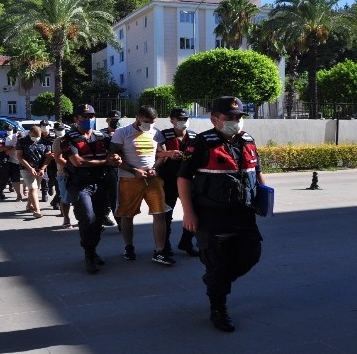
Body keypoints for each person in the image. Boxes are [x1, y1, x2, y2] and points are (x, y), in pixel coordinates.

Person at [177, 96, 267, 333]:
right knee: (218, 264)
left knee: (251, 255)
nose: (236, 121)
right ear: (215, 119)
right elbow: (183, 177)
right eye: (231, 117)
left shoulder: (248, 140)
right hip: (212, 215)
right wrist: (188, 212)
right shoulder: (201, 143)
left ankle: (217, 281)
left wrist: (265, 199)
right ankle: (218, 308)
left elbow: (256, 172)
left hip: (244, 213)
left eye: (239, 117)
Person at [108, 105, 175, 266]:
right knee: (127, 215)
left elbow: (161, 154)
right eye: (146, 122)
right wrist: (133, 170)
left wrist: (155, 169)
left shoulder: (156, 132)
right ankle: (129, 246)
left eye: (152, 122)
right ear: (137, 117)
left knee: (159, 213)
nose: (149, 125)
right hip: (129, 180)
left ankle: (159, 251)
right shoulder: (122, 132)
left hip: (152, 180)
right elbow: (113, 156)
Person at [62, 104, 121, 273]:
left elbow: (114, 154)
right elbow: (77, 162)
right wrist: (105, 162)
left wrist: (115, 158)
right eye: (84, 116)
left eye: (92, 116)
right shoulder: (69, 139)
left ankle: (92, 250)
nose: (89, 119)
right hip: (80, 185)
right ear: (76, 119)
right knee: (87, 218)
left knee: (98, 220)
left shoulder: (102, 137)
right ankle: (89, 254)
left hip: (101, 184)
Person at [157, 108, 198, 256]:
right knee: (167, 213)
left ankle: (187, 241)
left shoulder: (194, 135)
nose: (183, 122)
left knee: (194, 210)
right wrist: (169, 154)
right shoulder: (163, 135)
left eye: (185, 119)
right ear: (172, 120)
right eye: (179, 119)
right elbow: (155, 153)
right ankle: (165, 245)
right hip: (169, 178)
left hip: (188, 179)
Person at [17, 125, 53, 218]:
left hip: (40, 169)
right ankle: (37, 211)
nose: (36, 138)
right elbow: (20, 157)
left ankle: (29, 205)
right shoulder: (22, 141)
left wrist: (42, 168)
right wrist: (30, 168)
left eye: (38, 136)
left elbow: (48, 157)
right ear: (29, 134)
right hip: (26, 168)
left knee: (35, 188)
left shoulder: (45, 141)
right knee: (33, 188)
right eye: (34, 136)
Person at [100, 110, 122, 229]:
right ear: (107, 120)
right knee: (102, 195)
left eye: (117, 120)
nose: (115, 122)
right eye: (112, 120)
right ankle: (102, 217)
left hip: (117, 168)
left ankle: (120, 221)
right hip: (102, 167)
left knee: (116, 196)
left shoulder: (123, 132)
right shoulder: (100, 134)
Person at [52, 122, 73, 229]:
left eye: (62, 128)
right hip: (64, 173)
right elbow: (58, 158)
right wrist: (74, 166)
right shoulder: (58, 141)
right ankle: (66, 219)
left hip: (80, 172)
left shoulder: (74, 138)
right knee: (65, 197)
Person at [0, 123, 24, 202]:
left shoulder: (25, 138)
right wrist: (16, 147)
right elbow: (6, 152)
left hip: (25, 161)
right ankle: (18, 195)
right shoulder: (9, 138)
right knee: (15, 178)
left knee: (28, 177)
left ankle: (26, 189)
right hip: (14, 161)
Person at [38, 120, 57, 203]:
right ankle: (44, 193)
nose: (45, 127)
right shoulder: (38, 135)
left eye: (46, 125)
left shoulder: (54, 135)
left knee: (53, 177)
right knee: (44, 178)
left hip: (53, 160)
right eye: (43, 125)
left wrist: (53, 154)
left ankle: (51, 185)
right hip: (42, 159)